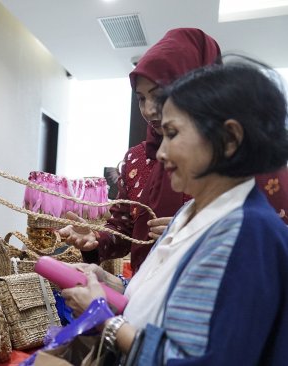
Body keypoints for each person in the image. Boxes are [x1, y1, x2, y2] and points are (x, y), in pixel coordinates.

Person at [62, 58, 288, 364]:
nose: (162, 151)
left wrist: (106, 321)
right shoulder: (189, 214)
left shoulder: (249, 234)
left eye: (173, 133)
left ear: (229, 139)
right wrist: (113, 285)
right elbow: (171, 299)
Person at [60, 28, 288, 275]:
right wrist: (95, 239)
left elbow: (269, 245)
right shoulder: (138, 159)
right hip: (146, 292)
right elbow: (124, 230)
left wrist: (195, 235)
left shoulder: (242, 163)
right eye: (141, 99)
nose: (148, 111)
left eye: (158, 96)